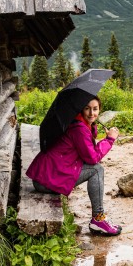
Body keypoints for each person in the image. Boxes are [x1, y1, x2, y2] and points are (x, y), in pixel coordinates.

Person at [26, 96, 121, 236]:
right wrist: (109, 139)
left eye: (95, 109)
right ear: (81, 109)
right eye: (87, 108)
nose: (91, 113)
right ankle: (98, 219)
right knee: (97, 170)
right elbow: (92, 158)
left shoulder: (78, 123)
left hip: (45, 177)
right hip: (46, 181)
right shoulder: (79, 129)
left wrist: (93, 129)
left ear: (100, 110)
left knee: (95, 168)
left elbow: (86, 150)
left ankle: (98, 219)